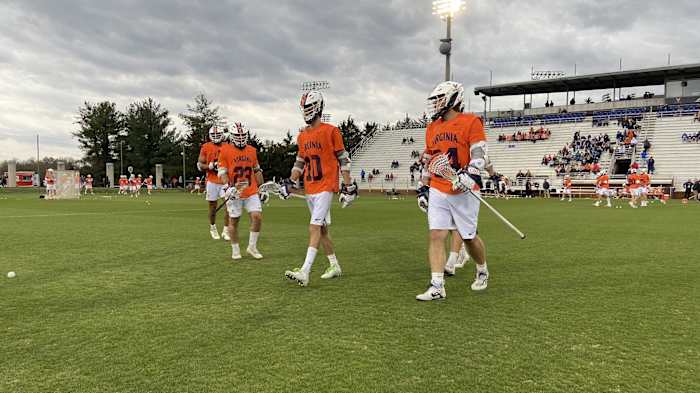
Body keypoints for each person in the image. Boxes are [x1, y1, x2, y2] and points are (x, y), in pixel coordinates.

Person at [414, 81, 489, 301]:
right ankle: (437, 285)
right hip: (439, 186)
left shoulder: (471, 121)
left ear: (453, 99)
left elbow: (479, 152)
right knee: (436, 234)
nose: (435, 104)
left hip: (464, 188)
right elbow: (430, 159)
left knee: (468, 237)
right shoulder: (432, 128)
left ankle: (482, 269)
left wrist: (471, 173)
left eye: (439, 99)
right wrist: (423, 186)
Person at [283, 90, 357, 287]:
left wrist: (348, 185)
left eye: (309, 106)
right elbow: (300, 162)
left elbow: (343, 159)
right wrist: (290, 182)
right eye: (304, 107)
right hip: (310, 187)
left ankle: (305, 271)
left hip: (326, 185)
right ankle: (334, 265)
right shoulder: (302, 136)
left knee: (314, 226)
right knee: (322, 229)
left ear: (318, 107)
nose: (306, 111)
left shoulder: (331, 131)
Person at [217, 122, 265, 260]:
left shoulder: (251, 150)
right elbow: (222, 172)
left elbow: (256, 170)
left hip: (251, 190)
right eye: (238, 136)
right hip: (235, 191)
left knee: (257, 217)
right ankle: (235, 249)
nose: (240, 138)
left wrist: (262, 187)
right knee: (234, 221)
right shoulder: (225, 150)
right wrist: (228, 187)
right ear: (232, 136)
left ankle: (252, 247)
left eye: (243, 135)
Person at [197, 125, 231, 240]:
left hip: (225, 180)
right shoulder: (206, 147)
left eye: (218, 135)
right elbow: (200, 165)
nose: (216, 137)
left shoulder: (228, 146)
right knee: (212, 207)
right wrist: (210, 166)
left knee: (229, 206)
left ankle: (226, 230)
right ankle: (213, 227)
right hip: (212, 181)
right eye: (214, 135)